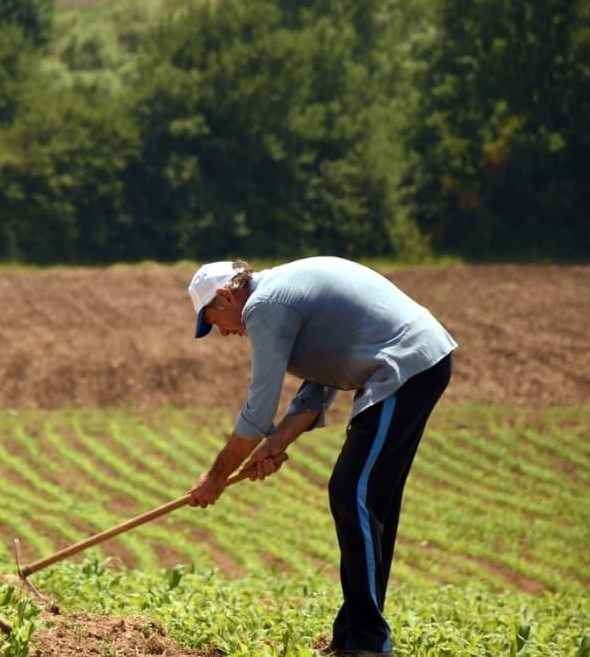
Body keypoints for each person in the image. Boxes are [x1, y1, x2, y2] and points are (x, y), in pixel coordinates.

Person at [185, 257, 455, 657]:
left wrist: (216, 477)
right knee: (368, 500)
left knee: (352, 494)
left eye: (214, 321)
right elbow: (319, 384)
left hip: (404, 367)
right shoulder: (283, 292)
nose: (223, 333)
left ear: (225, 296)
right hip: (418, 363)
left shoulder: (264, 306)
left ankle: (367, 643)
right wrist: (278, 443)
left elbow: (259, 411)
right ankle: (353, 637)